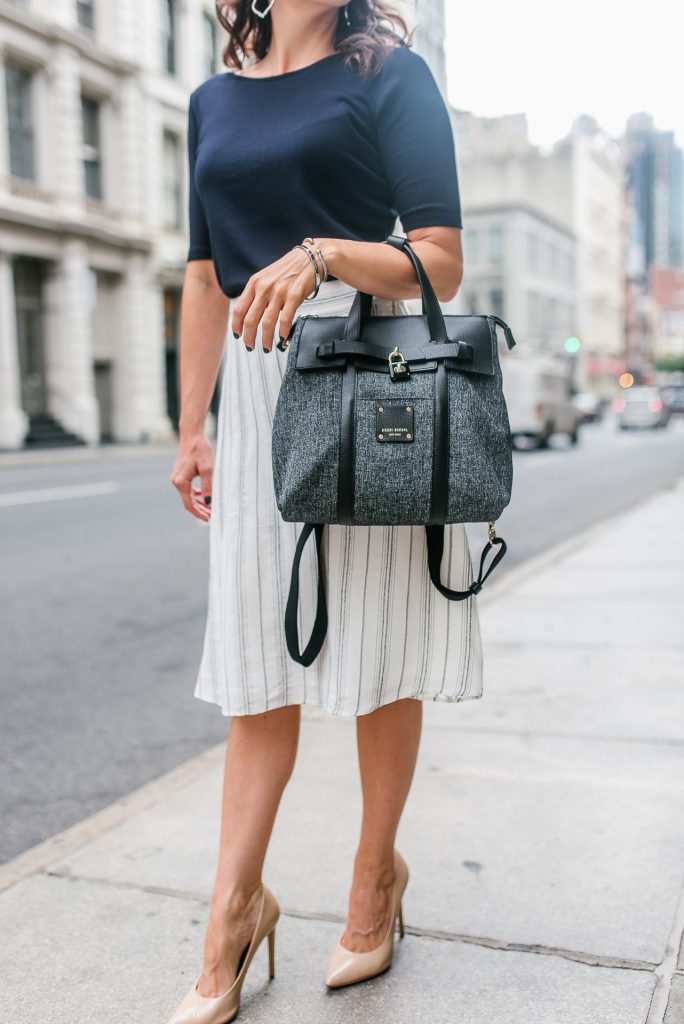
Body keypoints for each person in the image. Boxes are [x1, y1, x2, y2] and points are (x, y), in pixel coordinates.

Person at [167, 1, 482, 1020]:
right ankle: (233, 913)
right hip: (256, 394)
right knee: (260, 663)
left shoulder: (391, 70)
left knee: (380, 651)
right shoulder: (213, 97)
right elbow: (206, 275)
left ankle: (371, 879)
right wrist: (191, 425)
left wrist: (327, 253)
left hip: (371, 376)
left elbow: (439, 257)